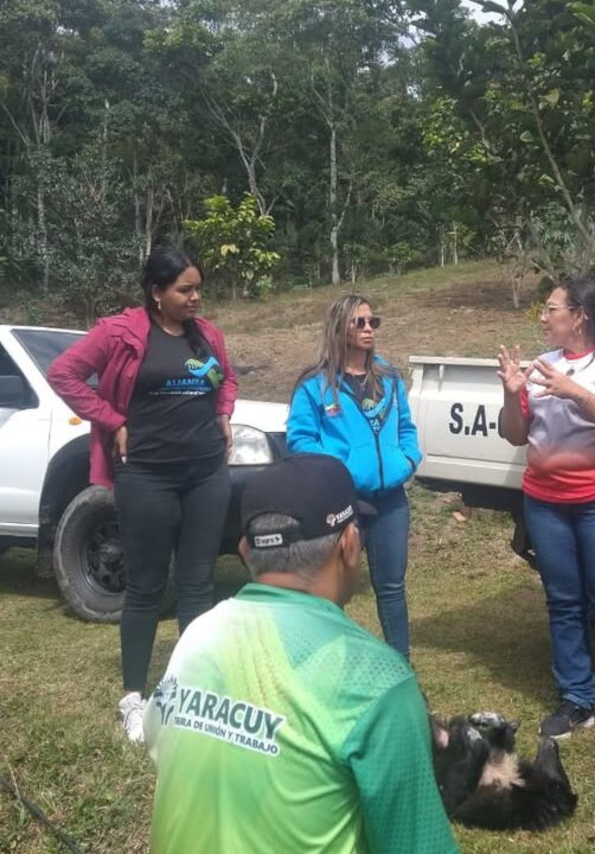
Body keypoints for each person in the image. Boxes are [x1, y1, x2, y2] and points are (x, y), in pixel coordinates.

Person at [142, 453, 458, 854]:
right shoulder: (377, 681)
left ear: (244, 549)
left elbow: (157, 737)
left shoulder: (198, 636)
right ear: (349, 545)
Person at [47, 246, 237, 743]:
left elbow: (226, 378)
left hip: (206, 474)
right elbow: (63, 374)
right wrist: (112, 420)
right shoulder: (121, 332)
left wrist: (223, 411)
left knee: (198, 584)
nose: (196, 298)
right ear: (156, 292)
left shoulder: (206, 335)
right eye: (185, 290)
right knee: (148, 586)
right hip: (147, 475)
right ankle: (134, 696)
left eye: (199, 288)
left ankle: (192, 690)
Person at [495, 276, 595, 753]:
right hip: (546, 502)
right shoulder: (541, 367)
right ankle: (577, 700)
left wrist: (574, 391)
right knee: (563, 603)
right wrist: (511, 393)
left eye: (551, 309)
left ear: (580, 315)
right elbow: (515, 436)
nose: (543, 318)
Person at [286, 295, 421, 660]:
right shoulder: (315, 385)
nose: (367, 329)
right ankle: (333, 667)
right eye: (358, 323)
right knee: (332, 591)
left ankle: (401, 669)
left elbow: (406, 428)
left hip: (391, 500)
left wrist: (407, 459)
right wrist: (343, 467)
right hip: (341, 501)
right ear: (339, 329)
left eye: (371, 322)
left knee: (391, 588)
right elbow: (300, 440)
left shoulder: (389, 378)